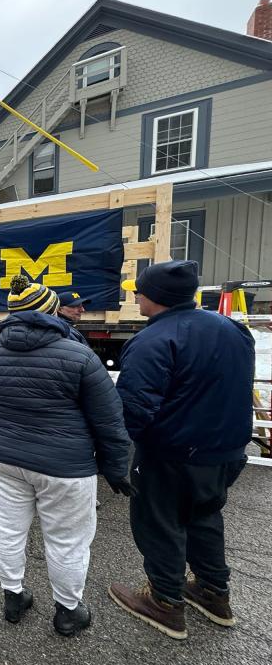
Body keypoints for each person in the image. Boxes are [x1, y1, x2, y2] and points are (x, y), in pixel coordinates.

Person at [0, 275, 133, 636]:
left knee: (7, 529)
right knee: (67, 540)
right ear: (50, 311)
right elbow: (109, 421)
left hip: (4, 460)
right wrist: (116, 468)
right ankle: (69, 612)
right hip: (66, 469)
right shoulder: (79, 356)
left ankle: (13, 597)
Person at [109, 261, 255, 640]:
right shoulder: (234, 330)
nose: (135, 295)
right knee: (204, 517)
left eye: (138, 290)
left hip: (172, 454)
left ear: (155, 297)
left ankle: (165, 601)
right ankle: (213, 591)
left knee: (159, 521)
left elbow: (133, 409)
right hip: (226, 451)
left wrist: (113, 457)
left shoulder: (153, 341)